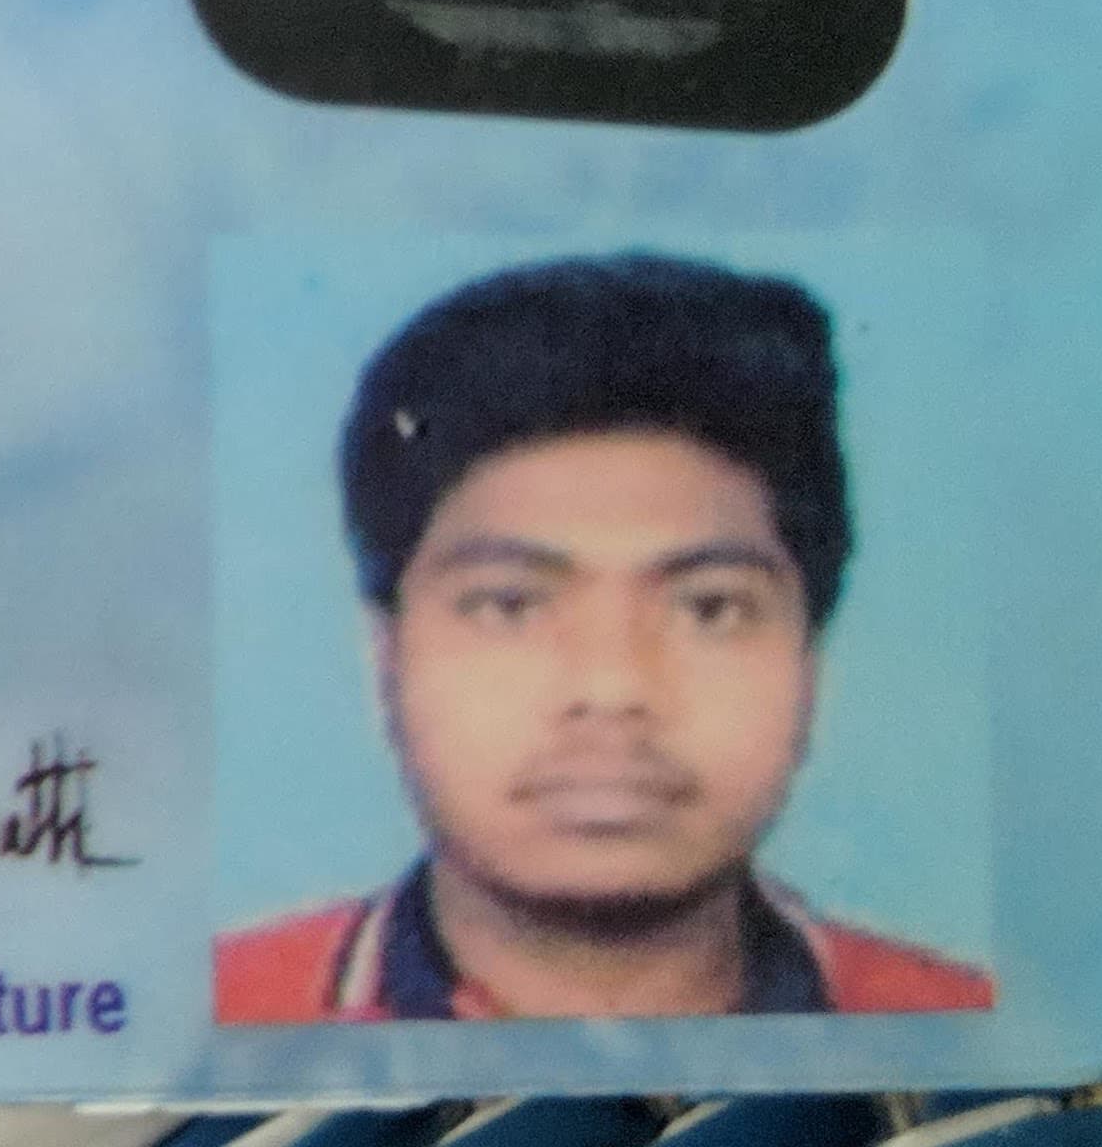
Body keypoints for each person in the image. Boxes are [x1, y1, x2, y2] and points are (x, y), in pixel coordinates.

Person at [215, 252, 994, 1022]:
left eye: (708, 609)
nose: (612, 687)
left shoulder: (971, 1031)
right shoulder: (217, 1022)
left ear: (809, 656)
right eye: (508, 606)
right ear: (384, 657)